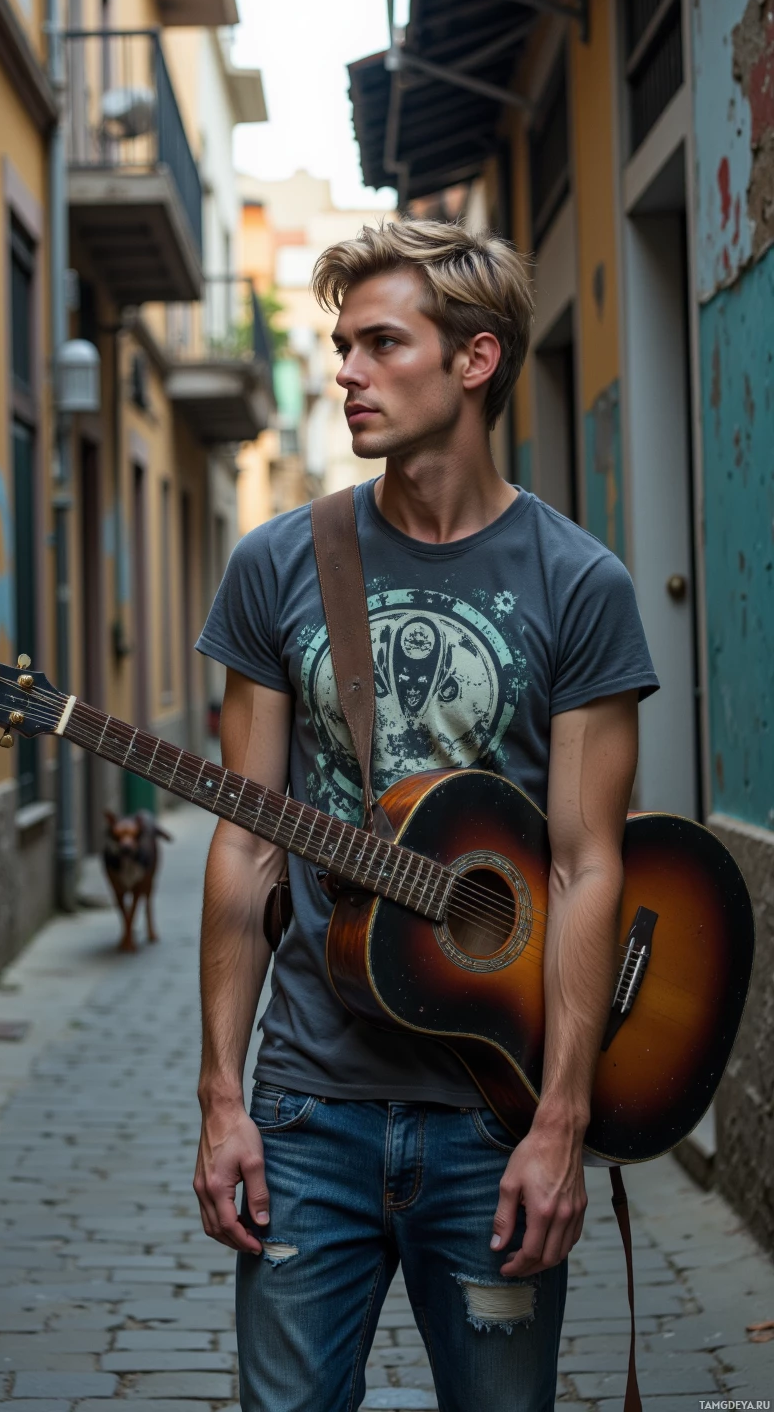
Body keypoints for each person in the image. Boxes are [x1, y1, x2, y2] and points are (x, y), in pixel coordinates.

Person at [193, 220, 658, 1412]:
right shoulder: (278, 565)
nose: (343, 372)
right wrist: (221, 1099)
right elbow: (246, 840)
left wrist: (561, 1120)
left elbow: (587, 863)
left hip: (491, 1120)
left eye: (379, 343)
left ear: (474, 360)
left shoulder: (578, 585)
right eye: (340, 344)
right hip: (308, 1106)